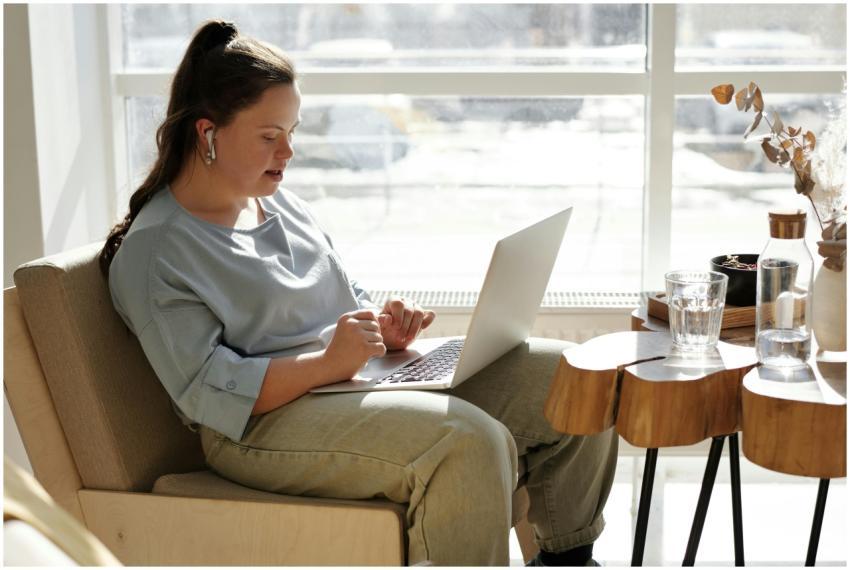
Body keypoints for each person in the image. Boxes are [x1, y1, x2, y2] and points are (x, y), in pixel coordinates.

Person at [100, 20, 618, 566]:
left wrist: (382, 326)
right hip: (258, 428)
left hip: (350, 384)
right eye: (269, 136)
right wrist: (328, 364)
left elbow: (347, 298)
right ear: (208, 134)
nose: (289, 152)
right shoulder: (157, 253)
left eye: (292, 131)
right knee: (467, 442)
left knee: (575, 376)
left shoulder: (280, 204)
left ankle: (567, 559)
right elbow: (208, 393)